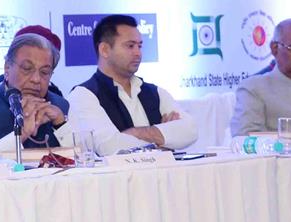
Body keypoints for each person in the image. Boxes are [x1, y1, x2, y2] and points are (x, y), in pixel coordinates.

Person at [68, 14, 197, 155]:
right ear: (104, 50)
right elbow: (110, 147)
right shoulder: (83, 95)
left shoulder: (154, 92)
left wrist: (136, 132)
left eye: (139, 46)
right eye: (130, 46)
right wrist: (165, 140)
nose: (138, 53)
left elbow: (190, 129)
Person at [0, 31, 72, 159]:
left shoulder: (61, 106)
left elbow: (87, 160)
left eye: (44, 72)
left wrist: (61, 125)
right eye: (27, 68)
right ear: (7, 68)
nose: (36, 79)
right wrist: (20, 135)